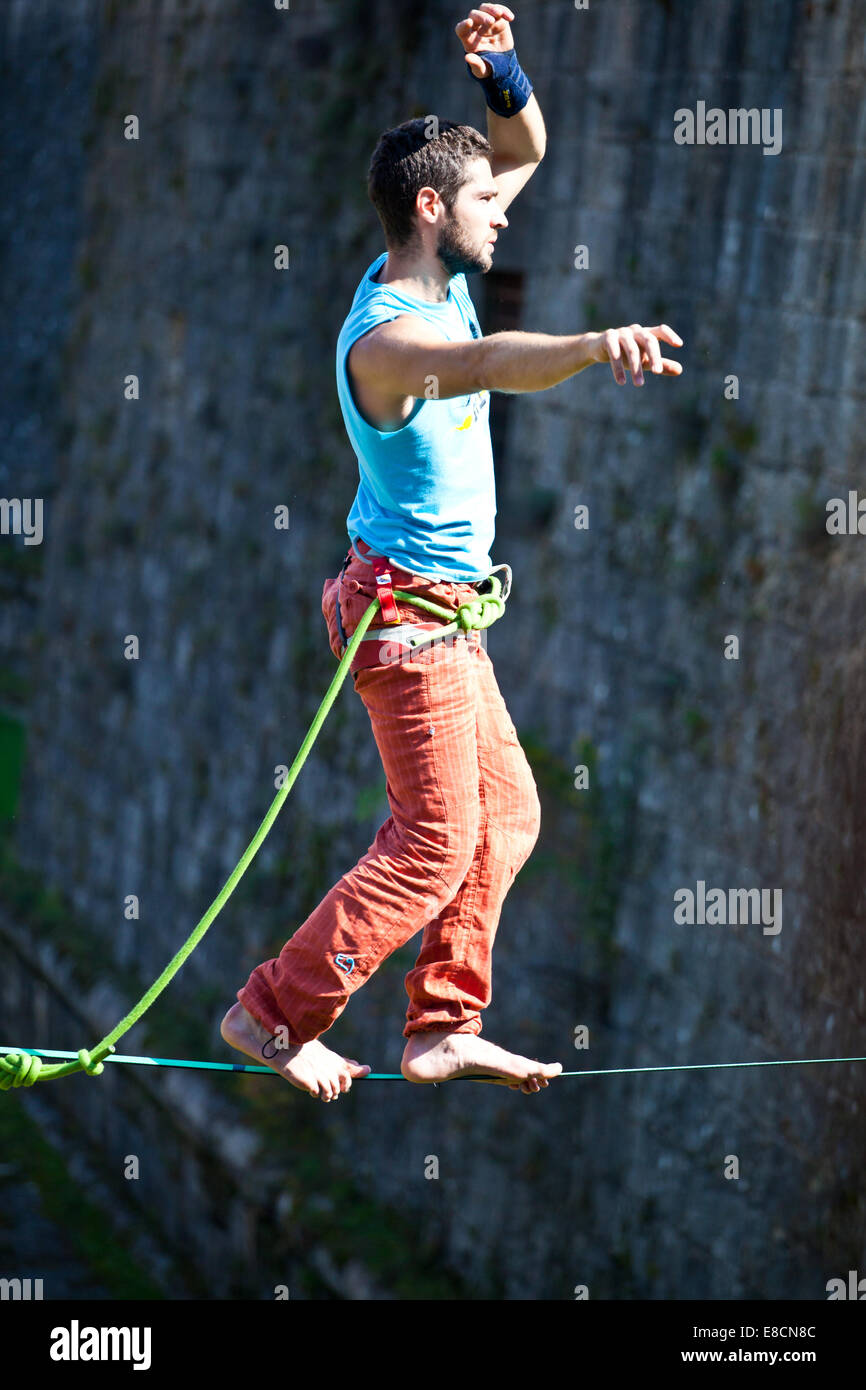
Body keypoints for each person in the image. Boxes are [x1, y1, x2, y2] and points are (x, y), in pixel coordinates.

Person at [221, 4, 682, 1101]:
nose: (503, 214)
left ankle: (439, 1024)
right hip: (402, 622)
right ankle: (271, 1015)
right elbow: (491, 368)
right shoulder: (389, 345)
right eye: (481, 203)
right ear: (431, 208)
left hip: (449, 617)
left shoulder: (444, 273)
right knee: (433, 841)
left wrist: (502, 72)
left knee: (507, 814)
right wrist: (587, 345)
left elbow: (521, 149)